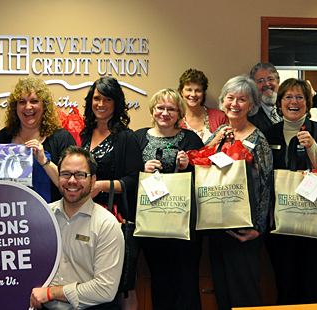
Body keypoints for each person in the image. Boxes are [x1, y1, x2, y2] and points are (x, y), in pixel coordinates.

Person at [262, 78, 317, 305]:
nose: (294, 102)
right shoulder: (269, 134)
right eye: (288, 97)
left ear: (308, 103)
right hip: (280, 222)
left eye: (300, 97)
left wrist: (311, 146)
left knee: (313, 286)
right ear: (280, 103)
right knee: (285, 286)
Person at [204, 75, 273, 310]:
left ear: (251, 105)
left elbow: (266, 187)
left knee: (245, 292)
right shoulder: (220, 132)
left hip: (245, 227)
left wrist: (258, 229)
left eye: (242, 99)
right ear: (223, 101)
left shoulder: (258, 139)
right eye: (230, 98)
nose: (234, 104)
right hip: (218, 225)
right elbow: (204, 167)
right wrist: (215, 143)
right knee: (222, 290)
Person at [29, 146, 124, 310]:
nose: (72, 180)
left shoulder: (106, 225)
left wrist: (52, 293)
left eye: (80, 175)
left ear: (93, 180)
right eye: (66, 174)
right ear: (58, 178)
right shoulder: (42, 217)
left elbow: (105, 289)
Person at [134, 88, 203, 310]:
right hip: (151, 223)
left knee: (187, 281)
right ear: (153, 110)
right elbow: (126, 175)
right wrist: (141, 169)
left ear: (179, 113)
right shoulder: (137, 138)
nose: (165, 113)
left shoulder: (191, 139)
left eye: (171, 109)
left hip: (184, 225)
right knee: (160, 280)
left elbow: (204, 180)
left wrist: (187, 166)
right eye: (161, 108)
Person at [80, 76, 142, 309]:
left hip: (115, 219)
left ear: (116, 103)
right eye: (96, 98)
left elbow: (134, 180)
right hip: (86, 217)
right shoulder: (86, 134)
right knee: (92, 282)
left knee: (123, 287)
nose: (101, 104)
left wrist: (100, 186)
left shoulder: (126, 137)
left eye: (107, 99)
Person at [0, 77, 76, 203]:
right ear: (15, 107)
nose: (28, 107)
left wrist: (44, 161)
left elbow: (71, 185)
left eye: (34, 101)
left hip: (52, 216)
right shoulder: (2, 137)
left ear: (44, 106)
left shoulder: (62, 138)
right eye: (22, 102)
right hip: (10, 215)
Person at [248, 62, 317, 132]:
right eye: (261, 81)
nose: (267, 84)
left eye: (270, 79)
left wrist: (313, 94)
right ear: (254, 85)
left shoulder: (292, 103)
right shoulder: (250, 114)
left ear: (278, 81)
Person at [178, 68, 228, 143]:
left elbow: (228, 146)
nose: (193, 94)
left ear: (203, 93)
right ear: (181, 92)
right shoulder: (174, 119)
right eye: (189, 90)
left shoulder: (220, 117)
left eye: (198, 90)